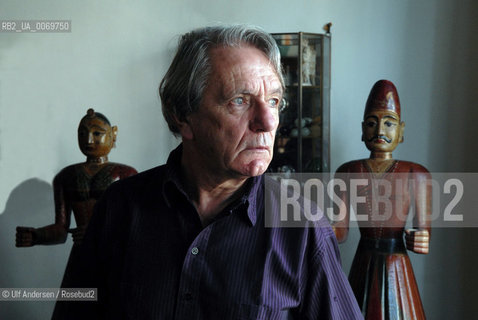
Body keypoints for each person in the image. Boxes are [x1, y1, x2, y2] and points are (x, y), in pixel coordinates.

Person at [53, 25, 362, 319]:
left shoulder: (304, 226)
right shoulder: (118, 208)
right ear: (182, 115)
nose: (267, 122)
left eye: (274, 101)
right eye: (239, 101)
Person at [332, 80, 431, 319]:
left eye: (389, 123)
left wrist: (421, 237)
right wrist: (314, 226)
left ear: (402, 130)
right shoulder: (347, 171)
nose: (379, 131)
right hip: (362, 262)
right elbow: (340, 231)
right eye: (371, 123)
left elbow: (423, 231)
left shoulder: (415, 173)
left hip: (398, 267)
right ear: (362, 129)